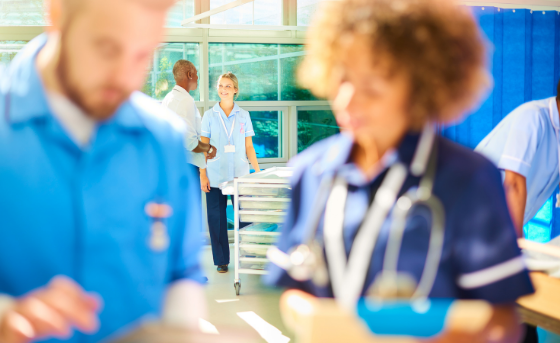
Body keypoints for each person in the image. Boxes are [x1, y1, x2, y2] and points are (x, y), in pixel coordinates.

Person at [265, 0, 534, 342]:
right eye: (341, 78)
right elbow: (293, 289)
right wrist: (322, 320)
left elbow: (503, 322)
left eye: (373, 85)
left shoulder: (468, 179)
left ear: (421, 87)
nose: (347, 101)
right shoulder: (312, 171)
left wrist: (401, 330)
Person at [0, 0, 207, 342]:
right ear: (57, 16)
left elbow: (182, 273)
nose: (125, 77)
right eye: (107, 49)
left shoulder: (162, 140)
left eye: (143, 56)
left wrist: (182, 330)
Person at [475, 81, 560, 343]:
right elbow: (513, 182)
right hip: (476, 224)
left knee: (522, 321)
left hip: (498, 232)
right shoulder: (533, 117)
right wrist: (514, 248)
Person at [200, 72, 261, 273]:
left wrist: (257, 172)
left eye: (228, 86)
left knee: (244, 217)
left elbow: (249, 147)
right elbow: (203, 148)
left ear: (235, 90)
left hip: (240, 174)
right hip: (215, 174)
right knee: (216, 219)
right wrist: (203, 174)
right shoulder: (209, 115)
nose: (223, 89)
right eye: (220, 86)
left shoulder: (244, 115)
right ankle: (222, 261)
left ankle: (248, 255)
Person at [162, 60, 217, 168]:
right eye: (196, 74)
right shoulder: (185, 100)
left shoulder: (169, 98)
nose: (197, 78)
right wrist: (209, 148)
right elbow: (191, 143)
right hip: (186, 166)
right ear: (189, 75)